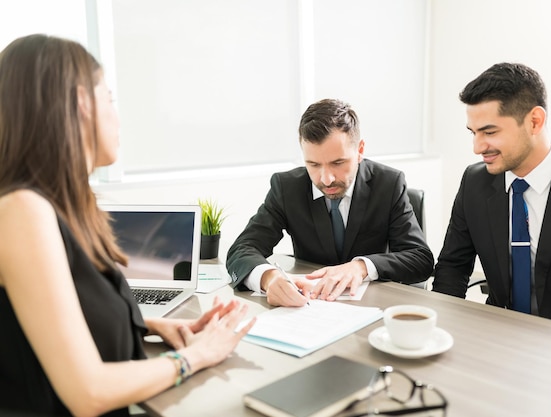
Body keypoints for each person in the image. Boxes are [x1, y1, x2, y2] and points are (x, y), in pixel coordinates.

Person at [0, 34, 255, 417]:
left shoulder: (67, 206)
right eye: (110, 99)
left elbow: (60, 318)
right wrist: (195, 356)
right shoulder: (22, 211)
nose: (118, 116)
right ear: (80, 103)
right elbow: (88, 393)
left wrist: (146, 325)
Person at [432, 62, 551, 335]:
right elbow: (453, 266)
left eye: (489, 132)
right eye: (473, 133)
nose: (477, 147)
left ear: (535, 121)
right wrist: (444, 333)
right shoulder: (474, 182)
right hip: (500, 335)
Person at [226, 98, 434, 307]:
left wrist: (361, 267)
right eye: (313, 164)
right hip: (308, 307)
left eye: (338, 163)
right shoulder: (286, 188)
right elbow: (242, 249)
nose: (326, 179)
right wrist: (268, 278)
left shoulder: (388, 184)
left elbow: (420, 258)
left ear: (360, 150)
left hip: (371, 307)